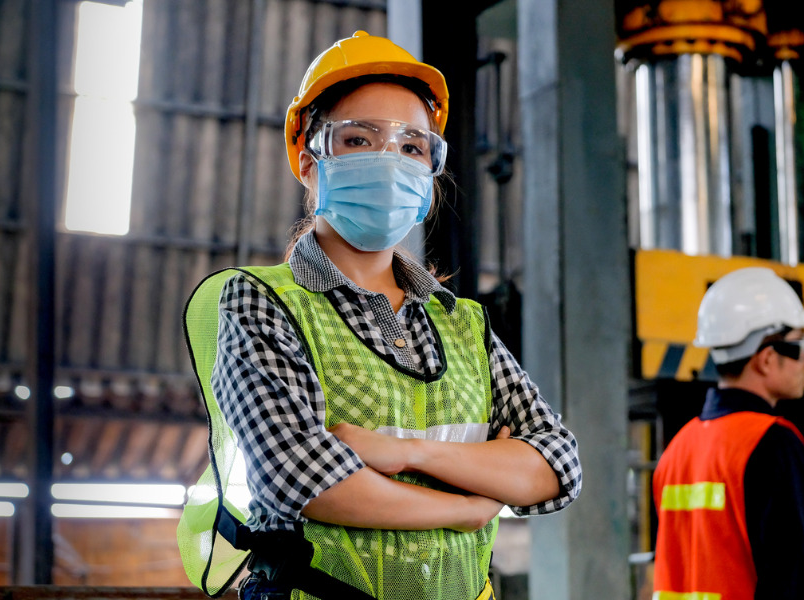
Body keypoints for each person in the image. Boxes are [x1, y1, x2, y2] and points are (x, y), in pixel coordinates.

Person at [178, 31, 581, 600]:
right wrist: (468, 506)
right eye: (359, 139)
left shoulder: (462, 324)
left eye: (413, 147)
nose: (389, 162)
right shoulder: (260, 303)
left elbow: (556, 467)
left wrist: (406, 453)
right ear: (306, 159)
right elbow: (303, 478)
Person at [651, 267, 804, 600]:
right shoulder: (772, 443)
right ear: (767, 359)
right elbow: (801, 581)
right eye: (799, 345)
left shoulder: (676, 451)